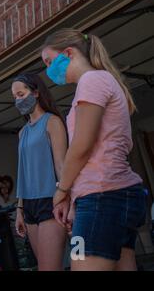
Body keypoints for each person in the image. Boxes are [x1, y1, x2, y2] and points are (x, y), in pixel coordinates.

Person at [42, 28, 147, 271]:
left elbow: (81, 146)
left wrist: (62, 190)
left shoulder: (91, 81)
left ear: (68, 53)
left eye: (49, 62)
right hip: (113, 195)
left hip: (102, 197)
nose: (49, 71)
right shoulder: (101, 80)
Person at [12, 72, 68, 271]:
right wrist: (19, 210)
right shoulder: (22, 132)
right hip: (28, 205)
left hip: (50, 200)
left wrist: (68, 200)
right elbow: (23, 174)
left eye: (21, 94)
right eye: (15, 97)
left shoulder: (52, 122)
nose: (18, 100)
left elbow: (61, 166)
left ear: (35, 93)